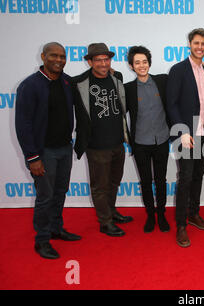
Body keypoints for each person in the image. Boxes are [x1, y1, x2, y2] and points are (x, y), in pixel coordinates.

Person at [15, 42, 81, 259]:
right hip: (43, 153)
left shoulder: (66, 81)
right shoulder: (30, 86)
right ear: (43, 56)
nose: (59, 60)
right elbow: (23, 124)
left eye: (62, 56)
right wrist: (32, 157)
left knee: (60, 192)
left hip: (64, 148)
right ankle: (42, 240)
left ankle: (56, 228)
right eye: (54, 55)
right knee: (45, 196)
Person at [73, 43, 133, 237]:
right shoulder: (78, 83)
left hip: (118, 142)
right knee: (100, 186)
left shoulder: (117, 78)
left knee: (114, 182)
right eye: (98, 60)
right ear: (89, 62)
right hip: (96, 146)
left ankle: (111, 211)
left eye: (106, 59)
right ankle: (105, 222)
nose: (103, 63)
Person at [166, 28, 204, 247]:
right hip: (186, 133)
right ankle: (181, 225)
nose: (200, 47)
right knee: (185, 178)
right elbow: (171, 104)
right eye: (196, 43)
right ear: (189, 44)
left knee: (198, 174)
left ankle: (194, 214)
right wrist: (182, 132)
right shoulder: (178, 69)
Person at [124, 46, 170, 233]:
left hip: (162, 140)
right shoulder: (127, 89)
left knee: (160, 180)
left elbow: (185, 82)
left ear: (149, 63)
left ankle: (161, 215)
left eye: (144, 62)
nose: (141, 65)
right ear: (131, 66)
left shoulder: (163, 81)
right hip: (140, 142)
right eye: (137, 62)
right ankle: (150, 216)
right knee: (145, 181)